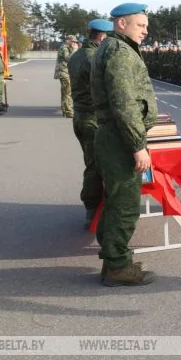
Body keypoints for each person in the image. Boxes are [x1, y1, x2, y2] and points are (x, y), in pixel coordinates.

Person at [91, 3, 157, 286]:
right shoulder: (119, 53)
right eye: (140, 25)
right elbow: (124, 104)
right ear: (121, 24)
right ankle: (118, 267)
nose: (145, 31)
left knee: (115, 201)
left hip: (114, 135)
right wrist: (137, 145)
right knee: (126, 206)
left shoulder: (113, 48)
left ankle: (113, 260)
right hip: (120, 138)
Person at [69, 19, 112, 229]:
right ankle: (92, 209)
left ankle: (94, 206)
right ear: (103, 37)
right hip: (93, 118)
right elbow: (103, 90)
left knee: (91, 162)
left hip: (80, 115)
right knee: (95, 165)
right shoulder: (94, 57)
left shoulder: (76, 55)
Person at [54, 35, 79, 118]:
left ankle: (64, 109)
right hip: (64, 72)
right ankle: (68, 112)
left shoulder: (67, 48)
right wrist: (75, 50)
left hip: (66, 72)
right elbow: (68, 58)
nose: (74, 43)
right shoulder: (64, 48)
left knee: (65, 92)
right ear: (68, 41)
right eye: (73, 41)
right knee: (68, 92)